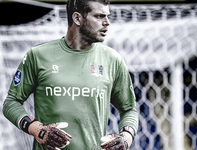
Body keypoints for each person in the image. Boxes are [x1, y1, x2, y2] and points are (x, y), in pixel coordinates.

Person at [2, 0, 138, 149]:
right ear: (77, 18)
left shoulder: (113, 60)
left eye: (107, 16)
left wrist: (126, 137)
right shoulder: (38, 55)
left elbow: (129, 109)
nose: (107, 22)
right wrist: (37, 129)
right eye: (99, 16)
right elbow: (11, 102)